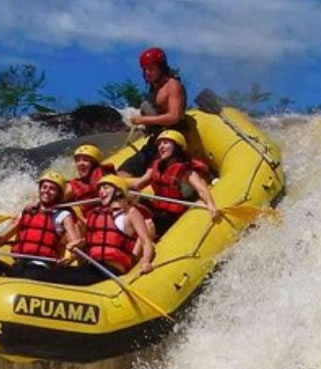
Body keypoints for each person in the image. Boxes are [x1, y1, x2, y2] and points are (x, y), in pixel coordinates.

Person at [0, 171, 82, 280]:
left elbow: (76, 243)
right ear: (39, 189)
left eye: (52, 188)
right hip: (20, 263)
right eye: (44, 187)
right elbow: (2, 237)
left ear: (59, 194)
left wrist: (71, 257)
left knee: (33, 274)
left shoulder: (63, 215)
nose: (47, 191)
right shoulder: (27, 212)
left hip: (41, 266)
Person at [53, 175, 155, 286]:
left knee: (58, 277)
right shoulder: (96, 214)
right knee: (56, 274)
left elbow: (145, 241)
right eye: (100, 189)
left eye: (106, 188)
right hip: (93, 267)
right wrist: (78, 244)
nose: (101, 192)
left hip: (111, 270)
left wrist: (146, 262)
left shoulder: (130, 213)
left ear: (118, 191)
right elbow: (93, 242)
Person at [128, 130, 221, 237]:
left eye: (166, 143)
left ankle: (141, 248)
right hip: (159, 207)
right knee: (133, 201)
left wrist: (211, 205)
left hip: (174, 213)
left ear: (177, 146)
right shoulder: (155, 167)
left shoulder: (187, 172)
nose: (161, 147)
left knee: (149, 224)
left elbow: (201, 189)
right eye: (160, 144)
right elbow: (138, 184)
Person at [119, 47, 190, 177]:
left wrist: (143, 120)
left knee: (151, 177)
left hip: (171, 143)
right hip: (155, 141)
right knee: (123, 173)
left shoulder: (172, 85)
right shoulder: (154, 88)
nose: (147, 73)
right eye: (145, 69)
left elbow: (174, 117)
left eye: (151, 69)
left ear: (161, 67)